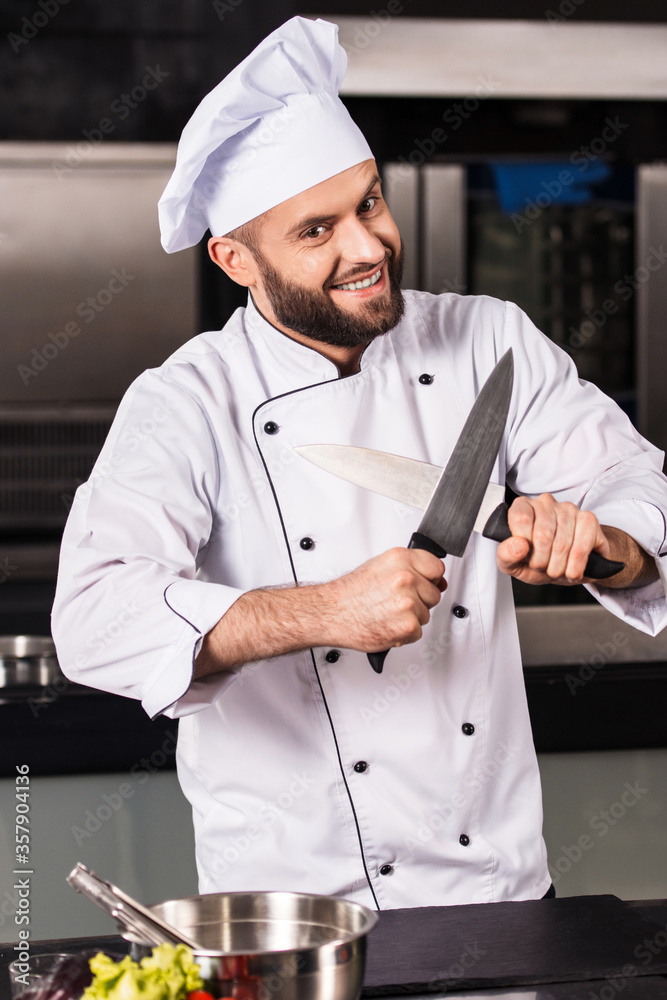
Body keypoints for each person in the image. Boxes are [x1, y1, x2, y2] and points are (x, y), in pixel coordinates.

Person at [52, 16, 667, 910]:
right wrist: (321, 611)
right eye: (316, 231)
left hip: (493, 892)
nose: (368, 247)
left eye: (369, 203)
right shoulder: (185, 402)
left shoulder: (486, 339)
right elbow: (94, 617)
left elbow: (637, 487)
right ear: (234, 258)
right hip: (289, 909)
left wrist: (596, 540)